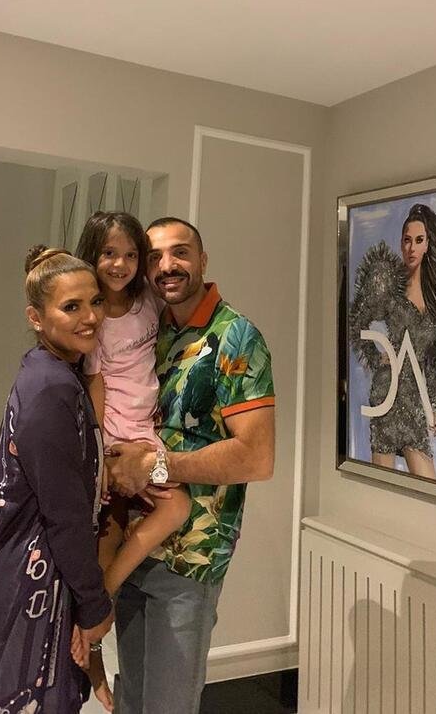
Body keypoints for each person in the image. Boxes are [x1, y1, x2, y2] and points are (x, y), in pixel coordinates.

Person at [105, 217, 276, 714]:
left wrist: (155, 466)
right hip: (131, 541)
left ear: (202, 260)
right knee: (132, 698)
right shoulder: (150, 328)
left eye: (180, 252)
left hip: (189, 558)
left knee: (167, 703)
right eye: (154, 256)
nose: (167, 265)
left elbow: (257, 457)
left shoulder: (235, 337)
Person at [0, 247, 113, 714]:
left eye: (95, 302)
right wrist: (94, 605)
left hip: (26, 566)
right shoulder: (52, 388)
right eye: (71, 307)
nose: (90, 317)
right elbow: (64, 512)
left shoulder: (49, 372)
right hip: (32, 578)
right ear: (36, 318)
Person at [74, 211, 191, 710]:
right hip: (121, 437)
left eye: (129, 255)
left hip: (147, 432)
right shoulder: (95, 318)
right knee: (117, 530)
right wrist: (101, 453)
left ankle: (102, 597)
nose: (120, 264)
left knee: (169, 508)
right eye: (108, 254)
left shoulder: (147, 300)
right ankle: (94, 647)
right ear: (92, 256)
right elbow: (96, 386)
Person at [349, 203, 436, 479]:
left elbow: (434, 360)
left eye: (418, 240)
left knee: (428, 483)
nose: (411, 248)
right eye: (407, 240)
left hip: (415, 401)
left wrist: (435, 405)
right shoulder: (387, 283)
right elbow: (357, 322)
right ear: (400, 243)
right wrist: (376, 355)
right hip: (387, 394)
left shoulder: (434, 297)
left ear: (427, 244)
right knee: (383, 483)